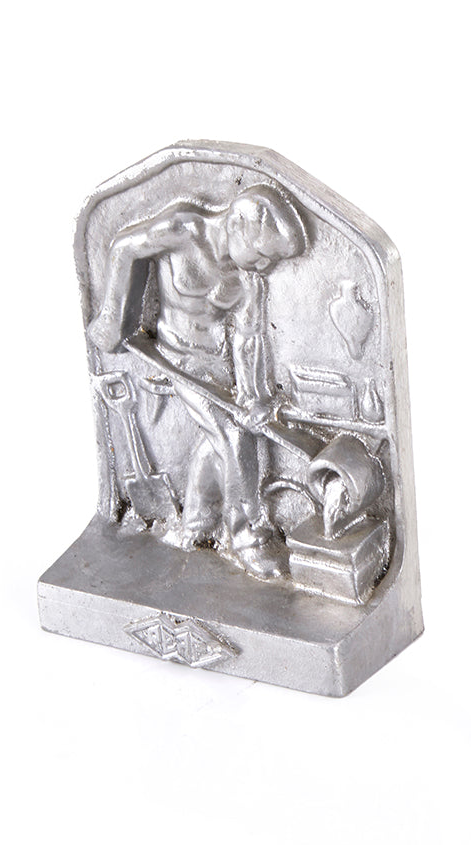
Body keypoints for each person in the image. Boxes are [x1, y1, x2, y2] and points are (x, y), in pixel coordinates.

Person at [87, 185, 308, 579]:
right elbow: (124, 248)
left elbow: (249, 339)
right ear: (237, 225)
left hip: (217, 363)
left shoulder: (250, 279)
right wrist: (114, 318)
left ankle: (195, 524)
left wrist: (254, 397)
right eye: (261, 254)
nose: (264, 266)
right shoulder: (183, 229)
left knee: (220, 437)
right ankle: (246, 536)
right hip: (176, 356)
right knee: (233, 436)